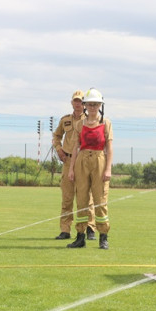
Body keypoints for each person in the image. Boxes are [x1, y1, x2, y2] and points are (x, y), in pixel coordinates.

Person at [66, 88, 112, 250]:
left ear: (100, 105)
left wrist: (108, 169)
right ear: (85, 105)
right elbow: (75, 148)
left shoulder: (105, 123)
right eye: (90, 104)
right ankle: (80, 237)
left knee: (100, 200)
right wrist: (71, 169)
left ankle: (103, 237)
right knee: (82, 199)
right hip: (82, 161)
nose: (92, 107)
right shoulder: (79, 124)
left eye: (96, 104)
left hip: (99, 159)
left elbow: (110, 147)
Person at [51, 91, 96, 240]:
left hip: (84, 161)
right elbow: (56, 136)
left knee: (86, 197)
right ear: (72, 103)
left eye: (81, 101)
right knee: (67, 197)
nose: (78, 104)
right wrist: (59, 150)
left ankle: (90, 228)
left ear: (84, 104)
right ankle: (65, 230)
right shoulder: (65, 120)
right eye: (75, 101)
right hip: (68, 160)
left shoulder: (89, 120)